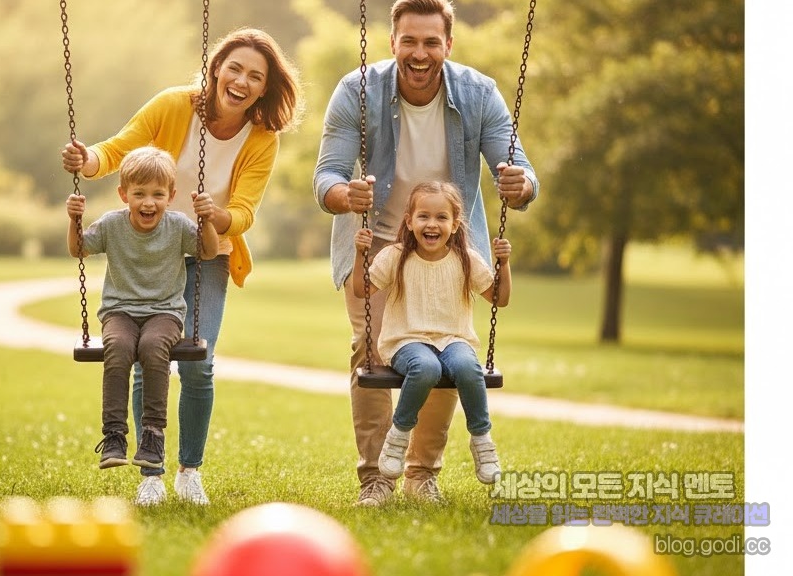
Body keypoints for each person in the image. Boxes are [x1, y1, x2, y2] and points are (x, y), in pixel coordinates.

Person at [62, 27, 303, 506]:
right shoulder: (175, 105)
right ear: (215, 69)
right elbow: (118, 148)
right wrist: (86, 159)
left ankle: (189, 470)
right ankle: (150, 473)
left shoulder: (262, 138)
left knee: (198, 362)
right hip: (155, 248)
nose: (241, 81)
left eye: (255, 76)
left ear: (264, 87)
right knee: (141, 357)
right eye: (234, 68)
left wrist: (216, 216)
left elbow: (246, 211)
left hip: (209, 252)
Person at [313, 0, 539, 506]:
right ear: (392, 43)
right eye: (409, 41)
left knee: (446, 356)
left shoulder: (479, 94)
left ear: (448, 45)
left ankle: (421, 473)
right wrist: (344, 195)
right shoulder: (357, 90)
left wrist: (518, 183)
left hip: (447, 251)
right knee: (369, 353)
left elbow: (519, 169)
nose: (420, 53)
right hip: (377, 246)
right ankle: (376, 478)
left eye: (431, 42)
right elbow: (325, 175)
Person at [66, 146, 219, 505]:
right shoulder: (112, 225)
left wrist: (207, 219)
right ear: (124, 195)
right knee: (117, 350)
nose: (148, 202)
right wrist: (73, 220)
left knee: (153, 349)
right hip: (120, 311)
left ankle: (152, 436)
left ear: (171, 196)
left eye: (157, 194)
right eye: (139, 194)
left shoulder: (180, 226)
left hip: (164, 312)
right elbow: (79, 250)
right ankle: (115, 436)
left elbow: (208, 252)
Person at [353, 181, 511, 489]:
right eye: (423, 216)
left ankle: (482, 440)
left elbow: (499, 298)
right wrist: (360, 254)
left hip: (454, 340)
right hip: (405, 341)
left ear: (454, 225)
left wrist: (503, 263)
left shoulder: (466, 258)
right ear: (409, 221)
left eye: (441, 217)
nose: (432, 224)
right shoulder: (394, 256)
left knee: (468, 367)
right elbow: (362, 289)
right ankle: (398, 439)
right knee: (426, 368)